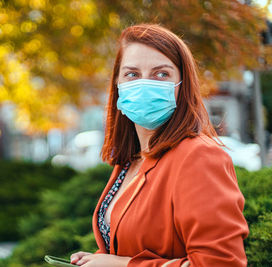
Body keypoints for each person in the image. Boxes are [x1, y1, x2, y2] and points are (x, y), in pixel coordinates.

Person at [70, 24, 249, 267]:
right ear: (118, 85)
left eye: (161, 74)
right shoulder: (131, 160)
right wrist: (100, 259)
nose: (145, 84)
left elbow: (221, 264)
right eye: (132, 74)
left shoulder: (200, 156)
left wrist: (122, 265)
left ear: (181, 85)